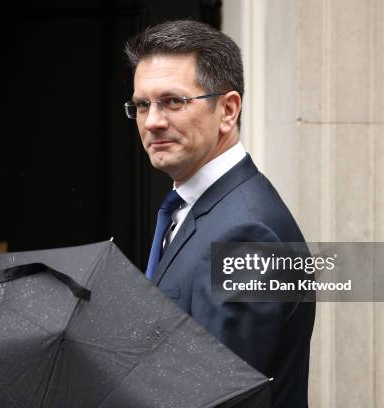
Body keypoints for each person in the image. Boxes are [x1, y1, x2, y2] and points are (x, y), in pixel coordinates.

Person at [123, 20, 315, 408]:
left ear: (228, 110)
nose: (153, 121)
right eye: (143, 105)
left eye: (173, 101)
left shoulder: (245, 234)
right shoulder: (195, 209)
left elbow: (218, 400)